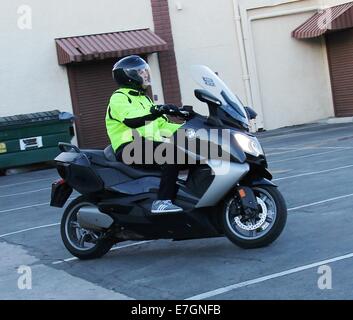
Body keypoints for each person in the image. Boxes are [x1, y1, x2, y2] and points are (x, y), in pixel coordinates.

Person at [106, 55, 186, 214]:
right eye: (141, 72)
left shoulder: (145, 99)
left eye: (145, 72)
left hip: (148, 145)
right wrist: (156, 110)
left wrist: (190, 128)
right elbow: (132, 119)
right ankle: (162, 201)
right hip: (129, 148)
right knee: (172, 153)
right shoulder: (119, 97)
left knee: (194, 153)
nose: (145, 75)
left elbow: (163, 125)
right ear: (129, 76)